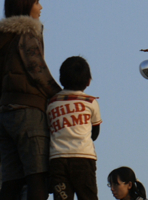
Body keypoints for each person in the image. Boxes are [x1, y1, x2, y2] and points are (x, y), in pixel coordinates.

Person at [0, 0, 61, 200]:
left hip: (4, 115)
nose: (40, 7)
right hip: (28, 112)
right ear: (26, 5)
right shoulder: (28, 32)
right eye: (37, 2)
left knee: (12, 180)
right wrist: (60, 95)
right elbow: (37, 69)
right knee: (37, 176)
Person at [47, 57, 102, 200]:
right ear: (88, 81)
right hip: (84, 157)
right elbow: (94, 133)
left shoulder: (51, 103)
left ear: (61, 79)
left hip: (57, 160)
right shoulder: (90, 102)